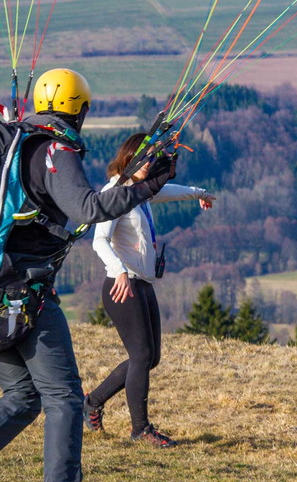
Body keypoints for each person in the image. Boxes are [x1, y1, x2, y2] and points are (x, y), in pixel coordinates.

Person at [0, 69, 177, 482]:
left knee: (23, 395)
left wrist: (140, 180)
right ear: (79, 110)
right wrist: (145, 188)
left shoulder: (16, 143)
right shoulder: (55, 150)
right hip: (26, 293)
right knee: (64, 398)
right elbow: (89, 209)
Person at [82, 132, 215, 448]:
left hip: (142, 283)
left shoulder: (138, 191)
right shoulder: (114, 192)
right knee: (141, 355)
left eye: (152, 160)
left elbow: (165, 190)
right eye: (142, 158)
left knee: (149, 357)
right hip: (121, 285)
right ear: (128, 155)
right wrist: (119, 272)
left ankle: (91, 402)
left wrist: (199, 193)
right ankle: (140, 429)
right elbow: (99, 239)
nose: (148, 165)